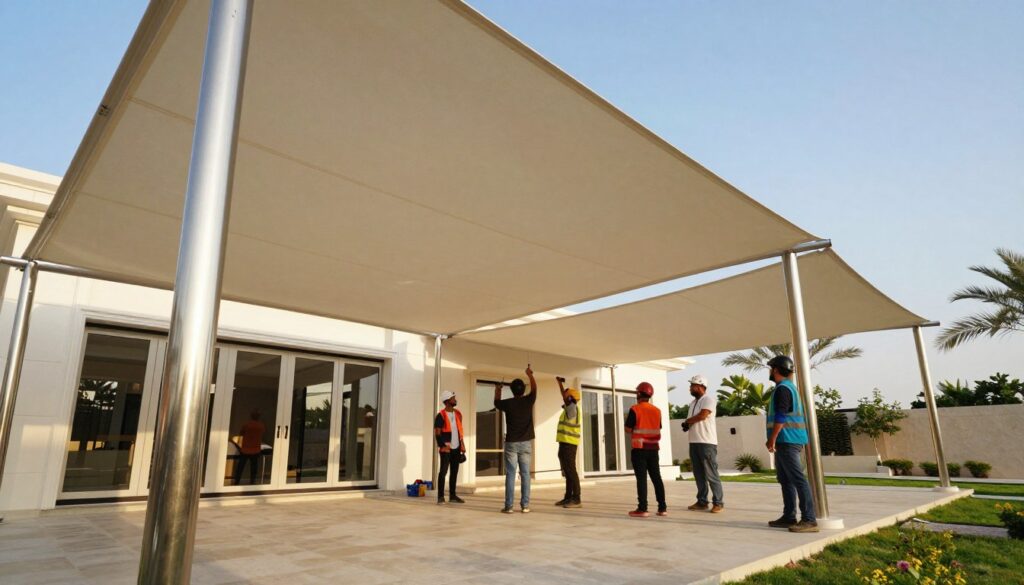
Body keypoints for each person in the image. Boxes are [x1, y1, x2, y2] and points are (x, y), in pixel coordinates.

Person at [765, 355, 819, 533]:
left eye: (771, 368)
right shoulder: (787, 388)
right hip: (786, 440)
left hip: (788, 439)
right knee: (785, 479)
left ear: (776, 369)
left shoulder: (783, 389)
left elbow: (781, 416)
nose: (769, 371)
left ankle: (809, 519)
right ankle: (789, 516)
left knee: (797, 479)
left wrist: (772, 438)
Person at [494, 365, 537, 514]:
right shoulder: (528, 401)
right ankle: (525, 506)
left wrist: (498, 389)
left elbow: (496, 402)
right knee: (525, 475)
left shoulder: (508, 403)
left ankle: (509, 506)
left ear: (511, 390)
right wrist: (530, 375)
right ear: (523, 390)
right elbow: (535, 389)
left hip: (511, 443)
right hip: (526, 443)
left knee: (511, 474)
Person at [682, 374, 724, 513]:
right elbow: (693, 418)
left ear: (700, 386)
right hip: (693, 442)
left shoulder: (708, 400)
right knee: (699, 474)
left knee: (711, 473)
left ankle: (718, 503)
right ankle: (702, 501)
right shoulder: (692, 403)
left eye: (692, 385)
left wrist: (688, 421)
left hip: (707, 442)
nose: (690, 388)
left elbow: (703, 415)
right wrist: (687, 424)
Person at [625, 382, 667, 517]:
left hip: (639, 449)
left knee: (641, 479)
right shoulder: (657, 411)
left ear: (638, 394)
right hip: (654, 449)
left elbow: (628, 429)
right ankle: (662, 508)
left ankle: (642, 509)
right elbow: (658, 428)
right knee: (656, 478)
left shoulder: (635, 409)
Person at [554, 376, 582, 508]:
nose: (564, 397)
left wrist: (565, 393)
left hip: (569, 444)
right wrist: (559, 384)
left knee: (571, 471)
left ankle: (576, 498)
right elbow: (564, 397)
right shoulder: (570, 406)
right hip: (564, 443)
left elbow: (566, 399)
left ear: (570, 398)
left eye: (567, 395)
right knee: (568, 471)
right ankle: (568, 497)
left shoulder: (572, 409)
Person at [434, 390, 466, 505]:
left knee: (454, 471)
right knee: (443, 472)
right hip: (446, 448)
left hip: (457, 448)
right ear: (447, 401)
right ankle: (441, 497)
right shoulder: (440, 415)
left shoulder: (458, 414)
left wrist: (462, 445)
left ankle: (452, 496)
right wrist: (442, 446)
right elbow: (437, 433)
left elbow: (460, 431)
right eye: (453, 398)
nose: (455, 399)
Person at [233, 409, 265, 485]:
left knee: (240, 467)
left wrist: (239, 445)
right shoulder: (261, 426)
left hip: (245, 449)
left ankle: (236, 481)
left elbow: (241, 435)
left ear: (251, 416)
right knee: (254, 468)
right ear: (259, 417)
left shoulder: (246, 425)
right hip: (256, 449)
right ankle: (252, 482)